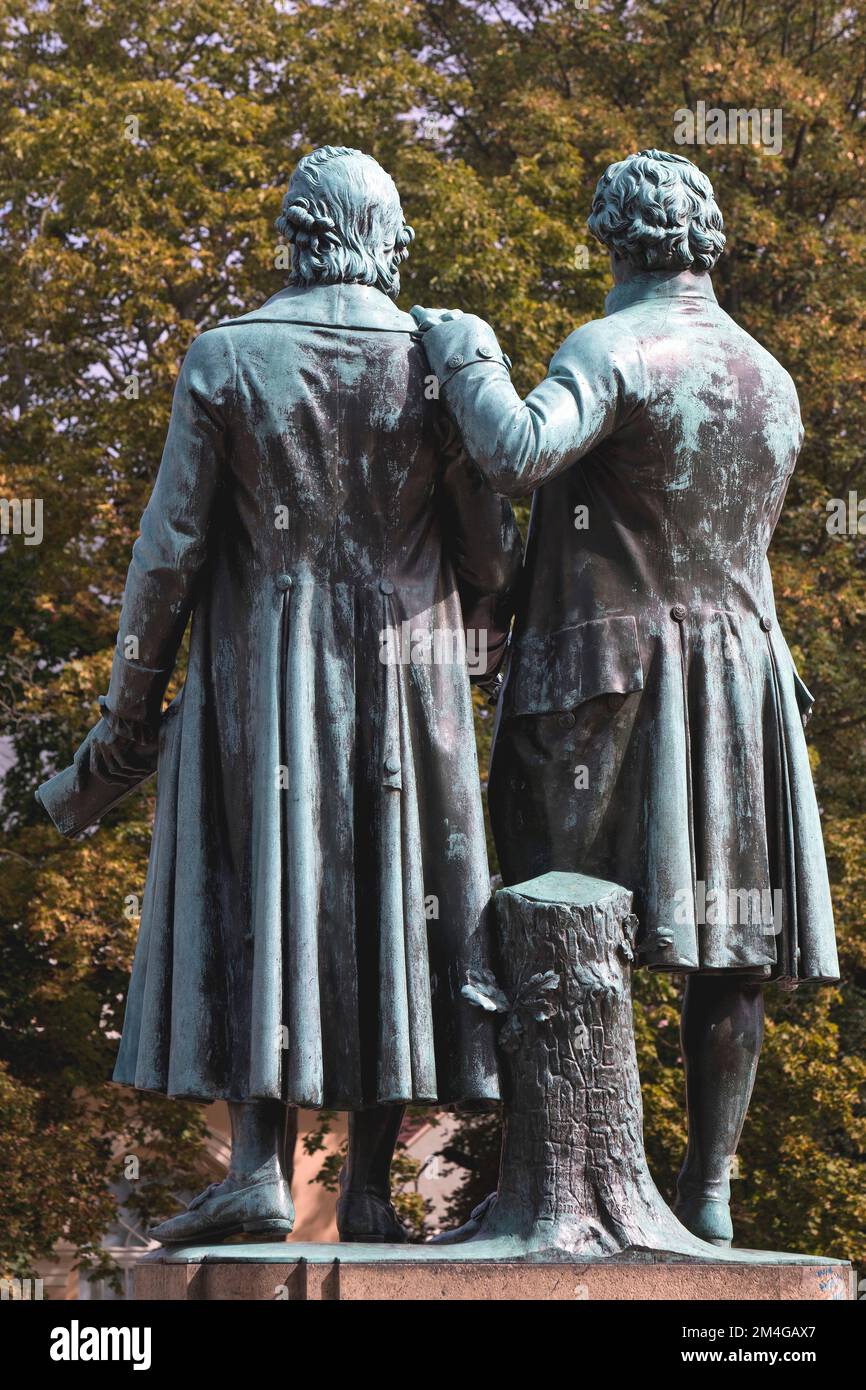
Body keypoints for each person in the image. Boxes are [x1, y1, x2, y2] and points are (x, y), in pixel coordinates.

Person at [39, 146, 521, 1245]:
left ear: (294, 235)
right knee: (391, 902)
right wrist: (482, 656)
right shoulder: (438, 361)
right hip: (410, 680)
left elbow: (166, 554)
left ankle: (258, 1164)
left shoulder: (226, 357)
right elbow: (490, 555)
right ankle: (364, 1192)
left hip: (262, 668)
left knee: (267, 886)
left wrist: (126, 723)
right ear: (383, 239)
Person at [411, 149, 838, 1247]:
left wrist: (463, 352)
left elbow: (515, 450)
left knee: (560, 925)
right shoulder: (768, 375)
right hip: (739, 680)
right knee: (728, 948)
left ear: (612, 237)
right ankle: (708, 1187)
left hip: (614, 683)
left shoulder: (613, 346)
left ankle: (549, 1185)